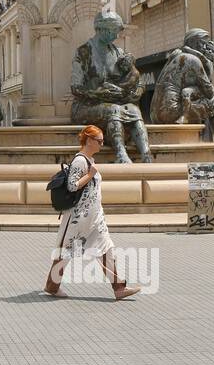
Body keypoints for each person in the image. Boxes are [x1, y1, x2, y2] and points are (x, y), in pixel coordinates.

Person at [44, 125, 141, 301]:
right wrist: (90, 175)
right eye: (99, 141)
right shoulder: (80, 161)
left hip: (94, 218)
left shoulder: (89, 160)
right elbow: (72, 185)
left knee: (107, 249)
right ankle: (52, 286)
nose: (102, 144)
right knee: (66, 252)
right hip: (78, 219)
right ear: (89, 140)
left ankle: (119, 288)